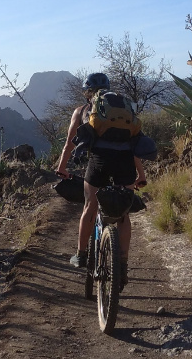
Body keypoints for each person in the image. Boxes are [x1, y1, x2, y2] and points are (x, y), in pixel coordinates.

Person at [55, 72, 147, 282]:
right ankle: (122, 265)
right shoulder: (121, 112)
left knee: (90, 205)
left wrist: (62, 167)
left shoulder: (82, 111)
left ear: (87, 92)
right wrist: (140, 174)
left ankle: (81, 254)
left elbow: (70, 142)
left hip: (100, 162)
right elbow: (133, 145)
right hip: (124, 163)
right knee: (123, 214)